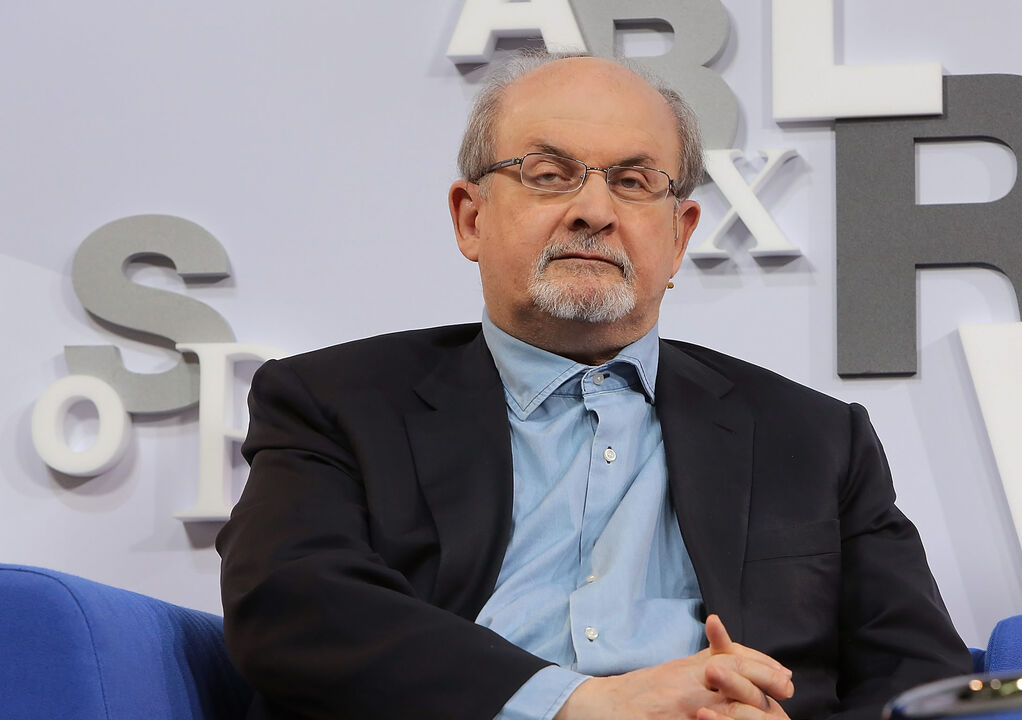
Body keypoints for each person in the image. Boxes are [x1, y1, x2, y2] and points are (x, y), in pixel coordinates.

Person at [216, 52, 971, 720]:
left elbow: (924, 680)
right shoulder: (334, 401)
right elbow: (290, 604)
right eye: (548, 175)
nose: (594, 210)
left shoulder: (814, 440)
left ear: (679, 236)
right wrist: (579, 703)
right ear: (470, 218)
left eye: (635, 182)